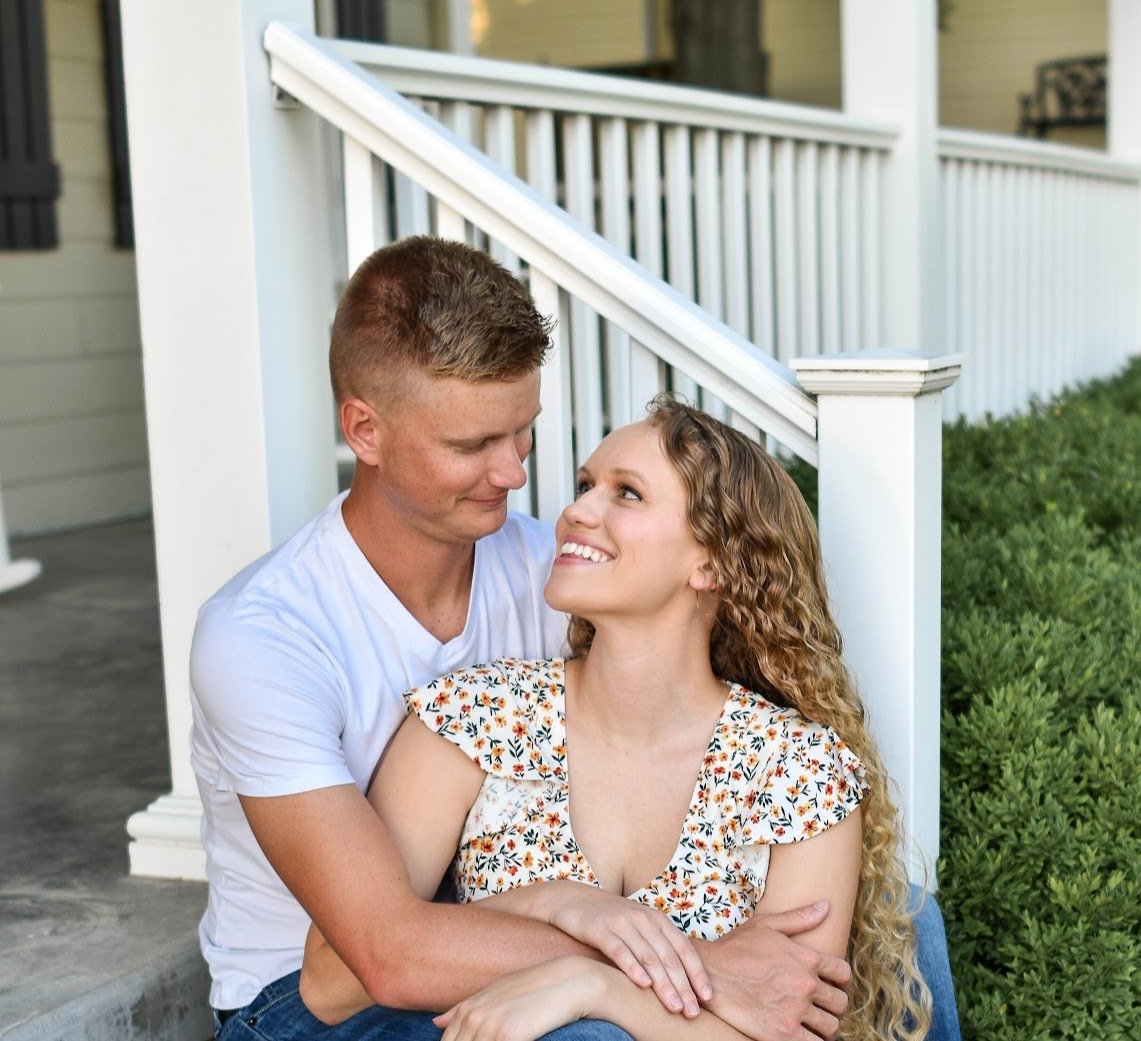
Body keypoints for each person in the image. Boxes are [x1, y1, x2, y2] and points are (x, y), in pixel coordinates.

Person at [189, 236, 960, 1040]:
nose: (516, 474)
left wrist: (610, 960)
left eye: (522, 432)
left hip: (482, 911)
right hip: (320, 992)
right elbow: (377, 952)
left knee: (901, 917)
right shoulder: (261, 637)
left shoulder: (548, 569)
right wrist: (682, 957)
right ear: (365, 430)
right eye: (471, 446)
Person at [299, 395, 933, 1041]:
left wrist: (596, 988)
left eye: (626, 493)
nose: (577, 510)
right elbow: (329, 980)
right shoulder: (474, 719)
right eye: (584, 485)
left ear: (709, 562)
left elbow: (791, 1027)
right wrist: (558, 903)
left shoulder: (798, 771)